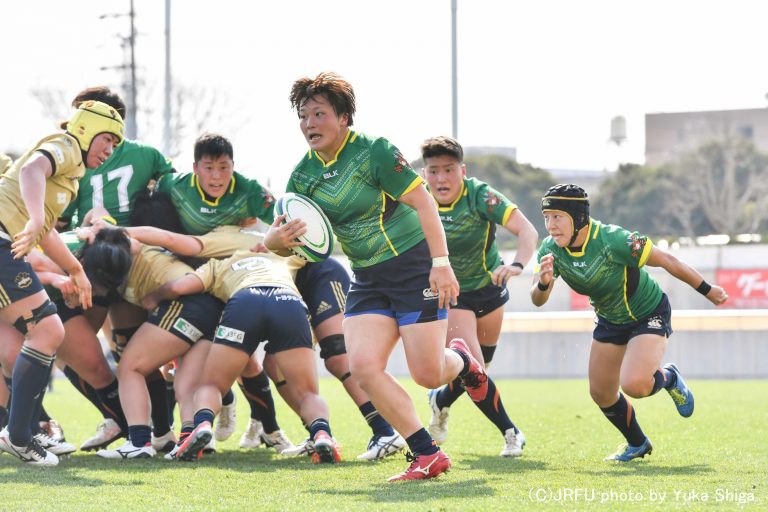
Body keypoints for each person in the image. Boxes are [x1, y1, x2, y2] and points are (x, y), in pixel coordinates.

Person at [265, 71, 489, 481]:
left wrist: (441, 263)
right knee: (364, 367)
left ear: (344, 118)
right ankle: (426, 454)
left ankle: (462, 362)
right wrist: (275, 239)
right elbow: (289, 243)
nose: (310, 124)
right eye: (303, 115)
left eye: (319, 114)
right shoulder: (302, 177)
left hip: (412, 265)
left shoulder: (375, 152)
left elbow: (424, 203)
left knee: (428, 374)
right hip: (366, 276)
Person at [531, 184, 728, 461]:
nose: (551, 225)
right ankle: (638, 444)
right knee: (601, 392)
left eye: (558, 217)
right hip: (611, 319)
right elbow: (538, 299)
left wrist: (708, 290)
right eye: (547, 217)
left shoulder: (614, 239)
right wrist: (543, 283)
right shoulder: (551, 250)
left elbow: (667, 259)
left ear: (579, 218)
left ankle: (669, 377)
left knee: (635, 385)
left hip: (648, 312)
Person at [0, 100, 123, 465]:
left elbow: (47, 231)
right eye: (107, 139)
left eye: (115, 144)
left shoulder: (70, 177)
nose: (110, 150)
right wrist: (35, 217)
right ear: (85, 130)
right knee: (49, 331)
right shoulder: (67, 145)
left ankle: (26, 429)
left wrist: (76, 270)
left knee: (20, 346)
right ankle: (21, 434)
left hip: (7, 243)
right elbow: (33, 170)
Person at [54, 86, 176, 452]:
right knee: (115, 349)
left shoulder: (76, 158)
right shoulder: (141, 155)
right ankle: (152, 429)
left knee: (77, 347)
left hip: (106, 259)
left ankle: (141, 425)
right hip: (122, 258)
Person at [143, 247, 341, 464]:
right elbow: (317, 252)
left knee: (212, 386)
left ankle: (202, 425)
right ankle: (322, 434)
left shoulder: (217, 265)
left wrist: (154, 296)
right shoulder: (278, 254)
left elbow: (178, 286)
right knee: (308, 393)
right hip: (288, 302)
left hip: (244, 303)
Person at [420, 136, 538, 456]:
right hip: (451, 294)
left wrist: (517, 265)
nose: (441, 178)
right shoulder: (417, 200)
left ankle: (440, 400)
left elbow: (527, 231)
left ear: (462, 169)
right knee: (475, 369)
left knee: (478, 367)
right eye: (433, 171)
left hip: (489, 288)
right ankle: (511, 432)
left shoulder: (481, 196)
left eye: (448, 169)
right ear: (424, 173)